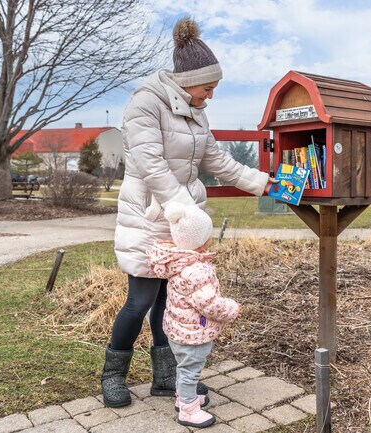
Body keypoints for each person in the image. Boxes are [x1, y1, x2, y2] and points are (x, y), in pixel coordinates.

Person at [102, 16, 276, 408]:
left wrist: (262, 182)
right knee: (140, 300)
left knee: (172, 302)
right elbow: (150, 164)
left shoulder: (196, 111)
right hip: (150, 216)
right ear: (187, 81)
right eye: (208, 88)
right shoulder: (146, 104)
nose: (210, 96)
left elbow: (216, 159)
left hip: (183, 223)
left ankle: (167, 377)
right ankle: (114, 374)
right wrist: (180, 208)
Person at [147, 202, 240, 428]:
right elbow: (209, 304)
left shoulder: (180, 262)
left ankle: (184, 397)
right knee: (190, 370)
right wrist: (233, 309)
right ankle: (188, 409)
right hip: (193, 333)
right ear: (202, 240)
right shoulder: (196, 271)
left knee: (184, 367)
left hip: (179, 329)